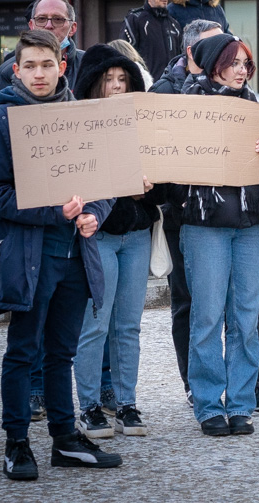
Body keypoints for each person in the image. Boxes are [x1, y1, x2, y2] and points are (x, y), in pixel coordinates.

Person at [0, 29, 120, 480]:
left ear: (62, 66)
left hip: (76, 257)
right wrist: (53, 212)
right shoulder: (2, 120)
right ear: (16, 70)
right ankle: (17, 442)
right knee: (24, 352)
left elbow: (103, 181)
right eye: (29, 66)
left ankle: (64, 439)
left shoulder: (81, 116)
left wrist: (94, 214)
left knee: (61, 353)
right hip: (29, 256)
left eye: (46, 65)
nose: (38, 74)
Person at [172, 33, 259, 436]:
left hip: (252, 223)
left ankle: (243, 404)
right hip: (205, 224)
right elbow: (170, 167)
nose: (240, 71)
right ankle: (208, 403)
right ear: (214, 63)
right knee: (208, 316)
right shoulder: (188, 107)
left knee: (246, 317)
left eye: (246, 64)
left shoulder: (257, 106)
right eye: (233, 63)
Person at [70, 44, 163, 439]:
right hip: (100, 237)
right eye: (108, 80)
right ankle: (89, 407)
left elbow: (166, 183)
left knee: (128, 326)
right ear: (93, 84)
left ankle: (126, 404)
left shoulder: (143, 123)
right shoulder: (77, 125)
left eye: (122, 79)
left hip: (137, 235)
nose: (115, 86)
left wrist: (150, 189)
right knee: (95, 325)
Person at [149, 19, 222, 409]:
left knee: (236, 305)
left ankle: (250, 383)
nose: (226, 54)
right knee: (188, 302)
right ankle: (194, 381)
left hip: (227, 216)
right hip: (183, 216)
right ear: (192, 52)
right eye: (216, 47)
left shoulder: (233, 92)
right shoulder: (163, 91)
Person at [0, 0, 84, 107]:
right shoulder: (7, 71)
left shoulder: (89, 63)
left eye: (58, 19)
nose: (48, 25)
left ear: (72, 28)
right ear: (31, 25)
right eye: (41, 19)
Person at [120, 0, 183, 81]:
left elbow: (181, 57)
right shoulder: (135, 19)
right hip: (146, 86)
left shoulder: (174, 24)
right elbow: (125, 54)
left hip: (172, 86)